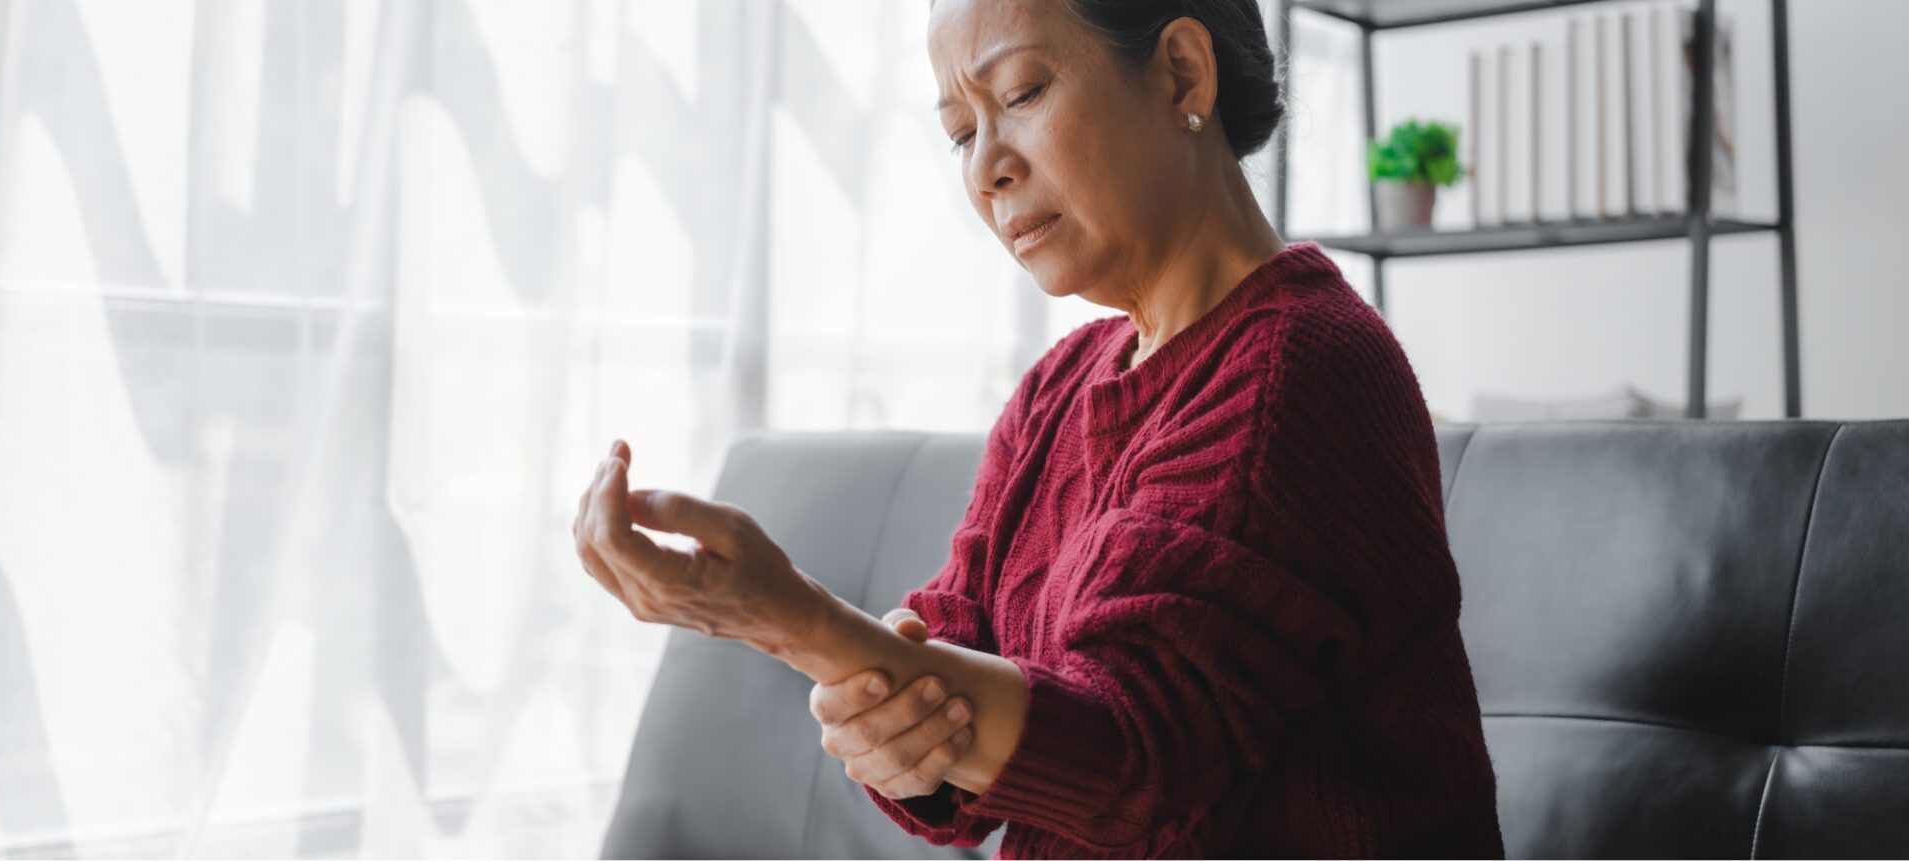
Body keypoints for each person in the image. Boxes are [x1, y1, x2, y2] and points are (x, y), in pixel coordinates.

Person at [571, 0, 1505, 855]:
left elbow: (1133, 762)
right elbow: (952, 679)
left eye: (1021, 93)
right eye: (960, 133)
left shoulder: (1298, 367)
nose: (986, 168)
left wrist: (783, 616)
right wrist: (896, 722)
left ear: (1183, 73)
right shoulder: (1059, 387)